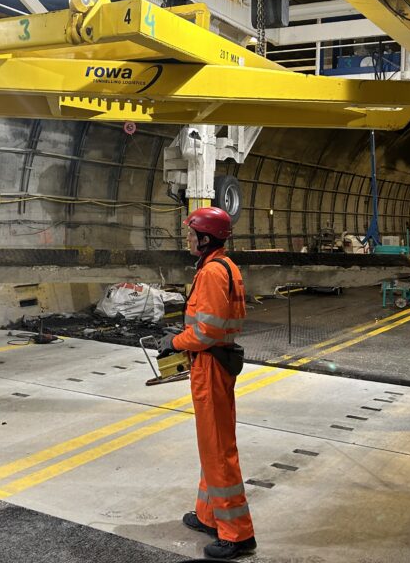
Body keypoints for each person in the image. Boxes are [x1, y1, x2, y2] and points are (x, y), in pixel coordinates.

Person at [160, 206, 255, 559]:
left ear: (205, 238)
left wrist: (175, 342)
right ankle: (209, 515)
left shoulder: (213, 272)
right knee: (211, 447)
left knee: (219, 450)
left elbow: (207, 331)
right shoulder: (221, 266)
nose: (187, 238)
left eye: (191, 233)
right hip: (212, 362)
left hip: (212, 364)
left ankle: (238, 534)